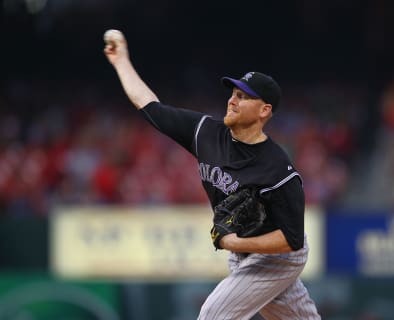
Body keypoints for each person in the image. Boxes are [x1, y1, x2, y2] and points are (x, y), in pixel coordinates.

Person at [103, 29, 321, 320]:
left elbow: (291, 239)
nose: (232, 100)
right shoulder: (206, 133)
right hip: (243, 253)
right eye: (233, 93)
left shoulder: (278, 170)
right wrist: (121, 62)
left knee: (213, 314)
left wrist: (234, 243)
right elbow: (150, 106)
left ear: (264, 110)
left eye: (243, 97)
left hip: (279, 259)